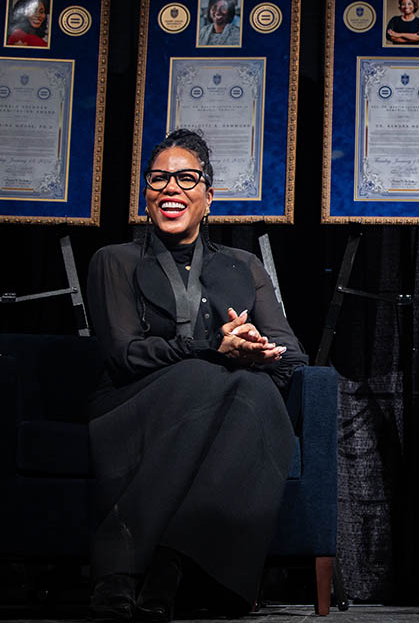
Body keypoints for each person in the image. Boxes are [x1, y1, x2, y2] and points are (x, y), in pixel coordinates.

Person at [86, 130, 308, 620]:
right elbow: (125, 355)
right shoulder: (114, 261)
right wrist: (214, 351)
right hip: (134, 404)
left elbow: (292, 356)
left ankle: (169, 564)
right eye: (158, 178)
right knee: (214, 378)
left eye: (188, 178)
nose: (171, 189)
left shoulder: (244, 266)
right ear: (145, 195)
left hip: (227, 405)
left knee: (253, 388)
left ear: (209, 197)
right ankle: (123, 571)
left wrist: (255, 351)